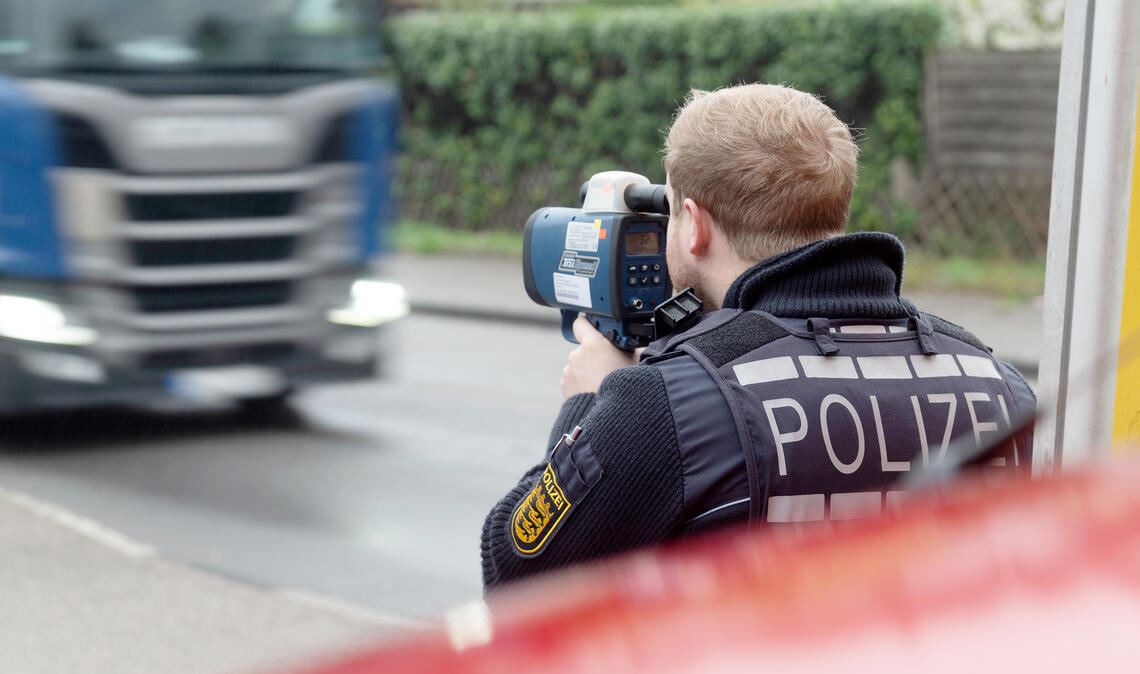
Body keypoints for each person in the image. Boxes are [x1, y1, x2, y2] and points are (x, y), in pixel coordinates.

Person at [481, 83, 1036, 590]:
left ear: (694, 224)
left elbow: (516, 573)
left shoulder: (663, 407)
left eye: (672, 211)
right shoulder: (998, 385)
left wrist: (587, 407)